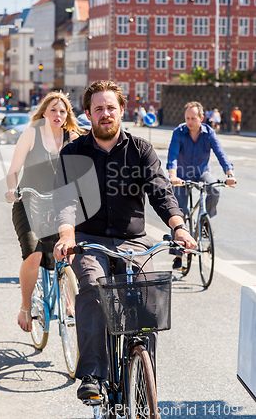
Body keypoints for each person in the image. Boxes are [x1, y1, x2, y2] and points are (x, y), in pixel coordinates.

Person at [53, 80, 197, 400]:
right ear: (89, 114)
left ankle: (145, 380)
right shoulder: (74, 152)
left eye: (111, 108)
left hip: (132, 241)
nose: (106, 114)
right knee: (92, 286)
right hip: (88, 239)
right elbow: (64, 202)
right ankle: (93, 374)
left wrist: (179, 228)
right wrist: (66, 236)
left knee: (146, 301)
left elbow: (161, 193)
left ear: (122, 111)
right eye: (99, 109)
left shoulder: (140, 149)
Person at [5, 92, 80, 332]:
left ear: (67, 115)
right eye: (53, 110)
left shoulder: (73, 138)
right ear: (44, 113)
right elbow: (13, 170)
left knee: (69, 252)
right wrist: (11, 190)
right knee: (34, 254)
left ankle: (70, 301)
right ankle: (25, 306)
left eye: (63, 111)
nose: (58, 114)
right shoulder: (31, 134)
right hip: (29, 201)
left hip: (60, 205)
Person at [166, 101, 236, 269]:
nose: (189, 122)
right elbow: (173, 155)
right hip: (181, 176)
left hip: (201, 173)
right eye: (187, 118)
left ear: (201, 118)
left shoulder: (209, 133)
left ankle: (205, 221)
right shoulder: (179, 132)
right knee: (178, 212)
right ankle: (177, 254)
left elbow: (220, 153)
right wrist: (173, 176)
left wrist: (229, 173)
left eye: (193, 118)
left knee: (214, 189)